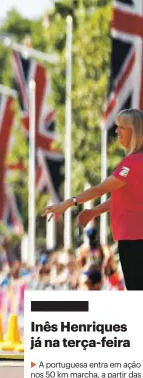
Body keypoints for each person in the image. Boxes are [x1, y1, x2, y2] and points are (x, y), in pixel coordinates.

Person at [42, 108, 143, 290]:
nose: (117, 131)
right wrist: (95, 211)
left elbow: (102, 188)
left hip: (133, 237)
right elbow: (124, 199)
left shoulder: (132, 163)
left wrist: (67, 203)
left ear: (134, 132)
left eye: (122, 127)